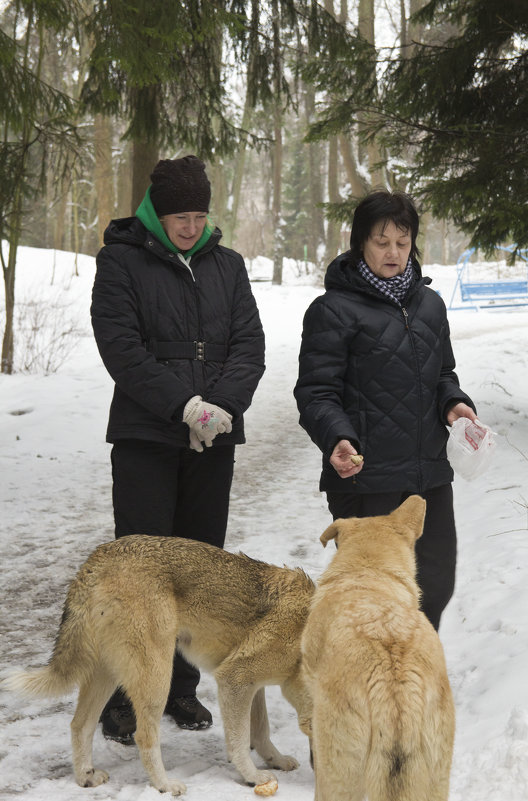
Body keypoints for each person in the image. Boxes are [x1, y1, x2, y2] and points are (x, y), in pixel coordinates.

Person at [91, 155, 265, 743]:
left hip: (213, 438)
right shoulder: (120, 261)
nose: (190, 227)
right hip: (146, 436)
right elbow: (121, 348)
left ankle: (180, 691)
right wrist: (181, 407)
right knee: (140, 571)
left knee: (201, 566)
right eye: (177, 216)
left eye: (198, 214)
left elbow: (249, 344)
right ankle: (124, 696)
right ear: (154, 212)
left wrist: (217, 409)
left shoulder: (229, 265)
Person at [294, 189, 479, 631]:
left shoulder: (430, 305)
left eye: (402, 241)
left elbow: (442, 374)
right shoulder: (332, 311)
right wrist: (338, 437)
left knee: (434, 584)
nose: (393, 252)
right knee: (375, 597)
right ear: (361, 243)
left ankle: (412, 675)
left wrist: (454, 403)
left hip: (428, 476)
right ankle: (369, 684)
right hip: (365, 480)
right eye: (382, 241)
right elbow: (315, 392)